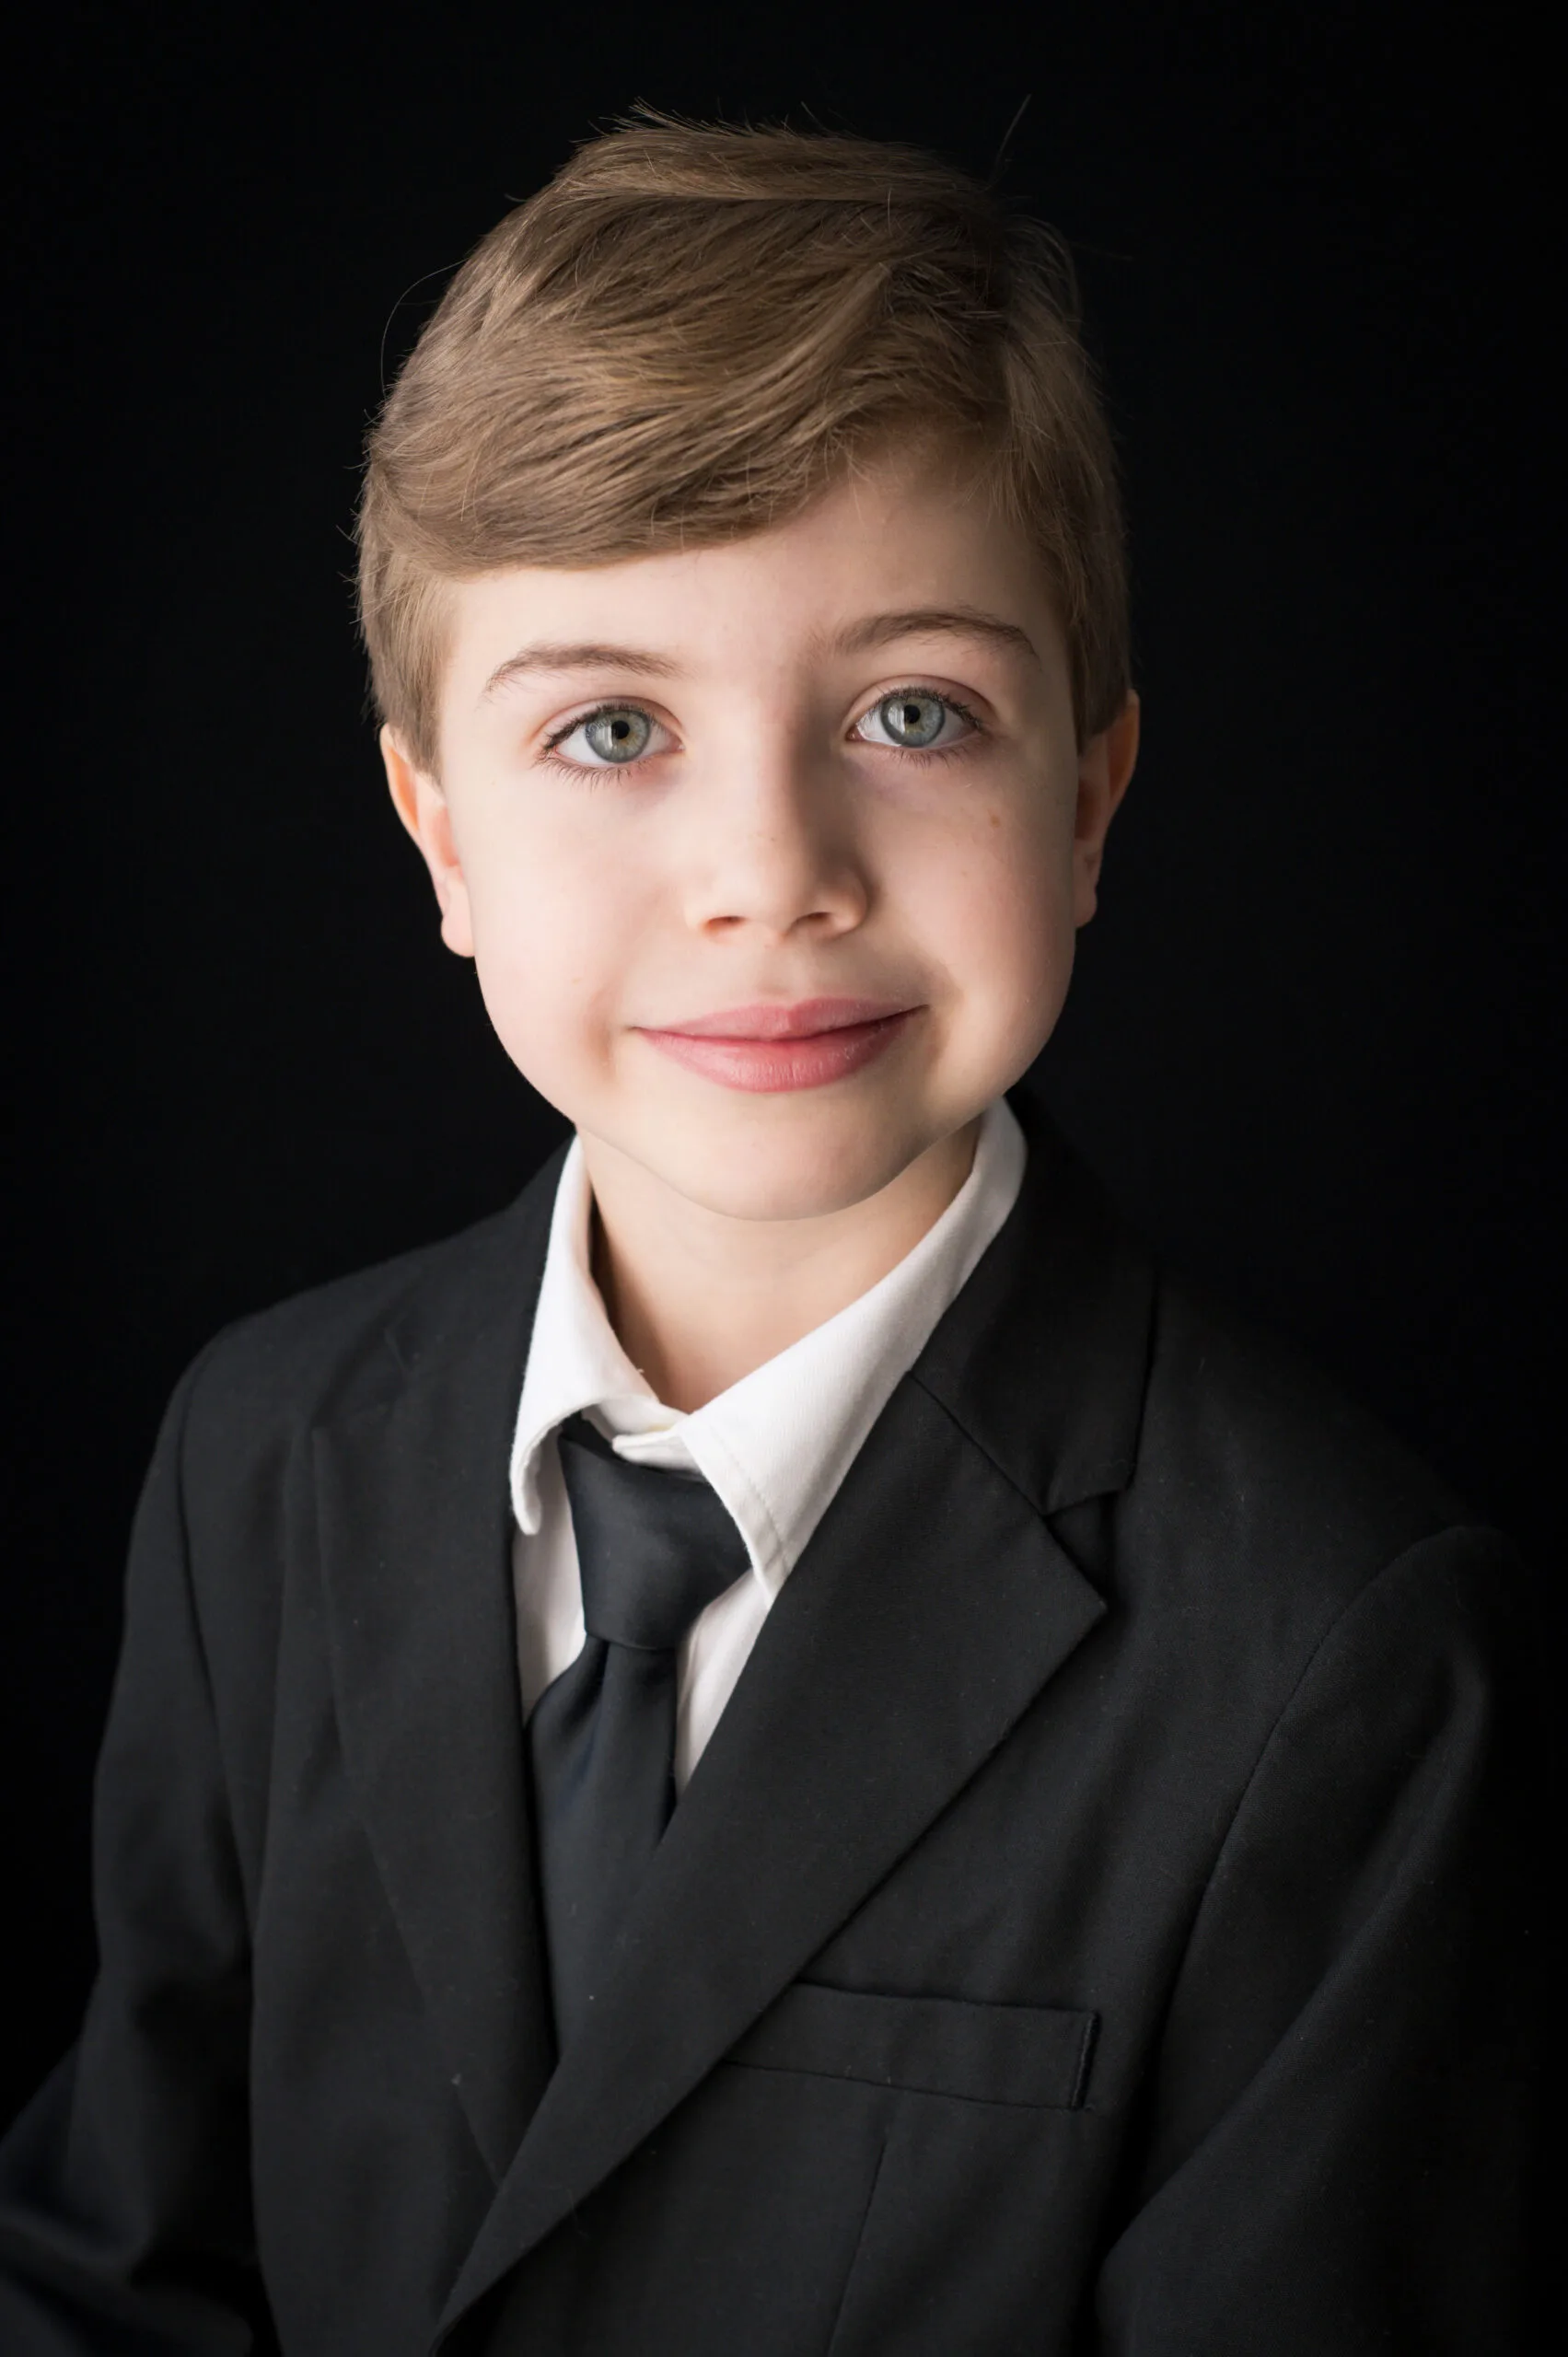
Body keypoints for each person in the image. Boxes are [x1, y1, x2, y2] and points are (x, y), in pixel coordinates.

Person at [0, 114, 1539, 2355]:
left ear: (1087, 797)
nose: (770, 869)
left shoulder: (1345, 1655)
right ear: (435, 833)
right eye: (610, 725)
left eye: (912, 713)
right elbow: (124, 2259)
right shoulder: (262, 1457)